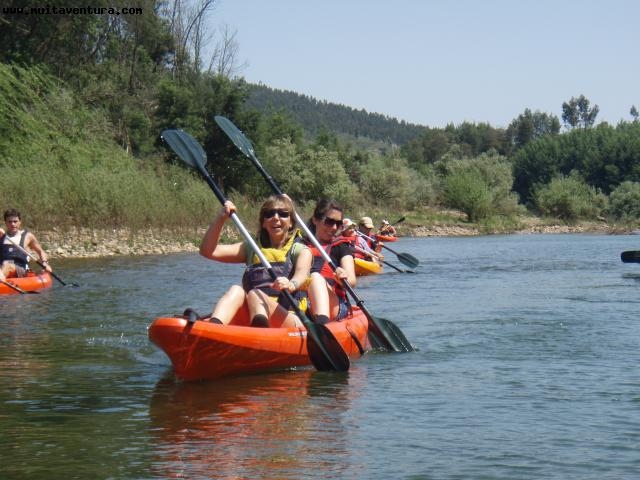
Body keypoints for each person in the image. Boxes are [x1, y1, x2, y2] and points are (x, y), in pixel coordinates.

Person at [198, 194, 312, 328]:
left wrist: (291, 284)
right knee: (236, 290)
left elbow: (302, 274)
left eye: (283, 214)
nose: (275, 218)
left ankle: (260, 332)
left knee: (255, 294)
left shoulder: (300, 250)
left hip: (290, 318)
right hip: (254, 315)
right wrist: (221, 218)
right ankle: (213, 328)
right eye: (269, 214)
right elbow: (208, 251)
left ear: (291, 222)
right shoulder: (252, 249)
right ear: (263, 223)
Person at [303, 199, 357, 324]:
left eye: (338, 223)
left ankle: (322, 325)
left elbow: (352, 281)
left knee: (315, 278)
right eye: (329, 222)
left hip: (334, 305)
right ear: (315, 220)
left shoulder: (341, 247)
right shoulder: (300, 245)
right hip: (301, 302)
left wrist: (343, 278)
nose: (334, 227)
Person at [0, 208, 52, 282]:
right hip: (2, 269)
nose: (12, 224)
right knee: (5, 265)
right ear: (5, 223)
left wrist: (45, 263)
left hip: (21, 270)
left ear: (20, 222)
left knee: (8, 265)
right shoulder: (1, 236)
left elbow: (40, 251)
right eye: (10, 222)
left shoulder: (28, 236)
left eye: (15, 221)